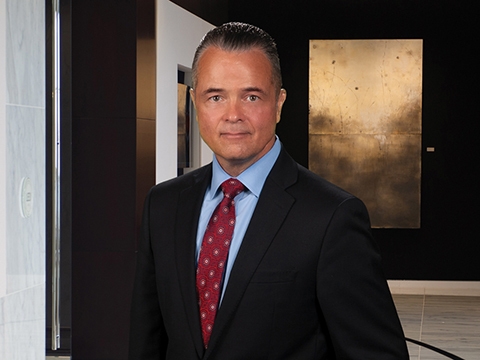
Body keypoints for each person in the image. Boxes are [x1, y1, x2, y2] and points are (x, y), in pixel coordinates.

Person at [128, 22, 409, 359]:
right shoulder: (163, 204)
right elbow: (147, 343)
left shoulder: (331, 217)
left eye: (251, 96)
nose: (233, 115)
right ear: (195, 102)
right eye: (215, 97)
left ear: (278, 102)